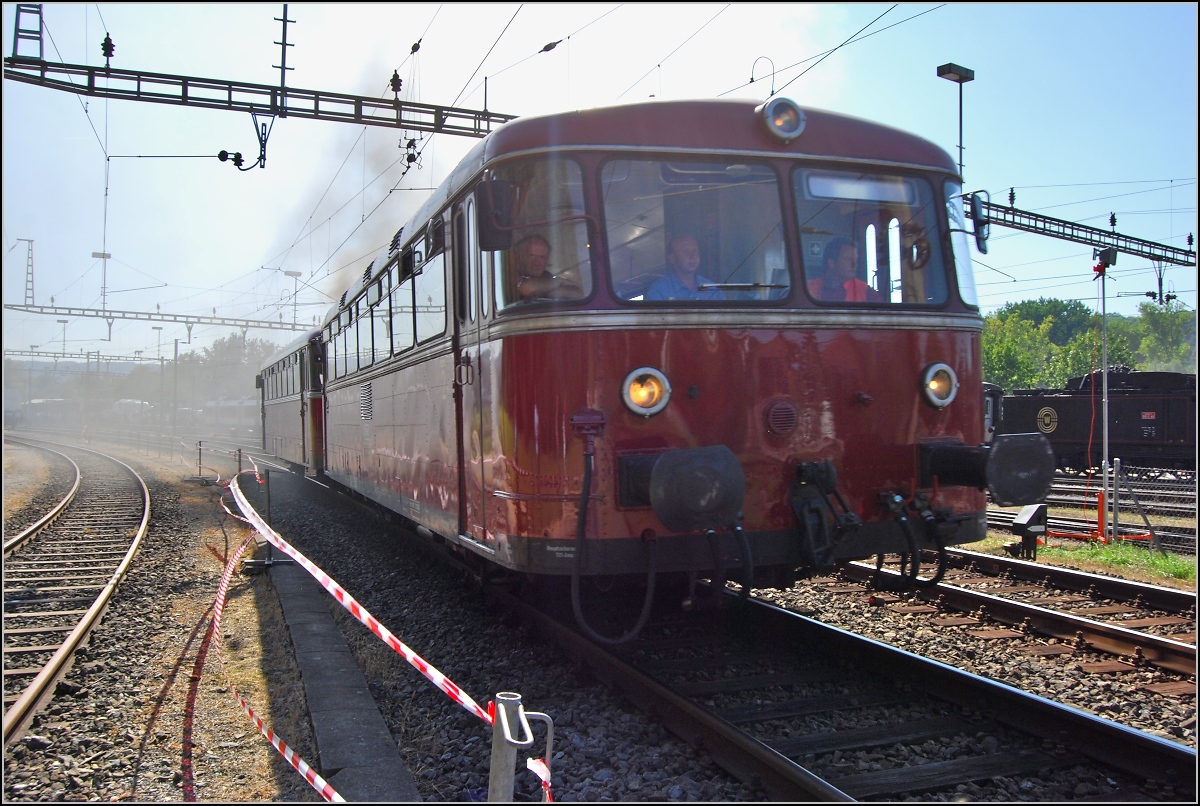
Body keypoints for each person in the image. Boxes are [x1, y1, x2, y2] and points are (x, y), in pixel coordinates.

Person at [644, 234, 725, 301]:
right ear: (672, 258)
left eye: (695, 251)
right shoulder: (659, 290)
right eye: (685, 251)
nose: (692, 256)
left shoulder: (713, 290)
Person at [807, 237, 884, 303]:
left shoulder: (866, 292)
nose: (854, 265)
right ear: (832, 263)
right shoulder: (809, 288)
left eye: (855, 260)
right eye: (848, 260)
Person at [513, 234, 584, 301]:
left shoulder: (546, 275)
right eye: (531, 256)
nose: (537, 262)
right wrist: (559, 281)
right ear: (519, 257)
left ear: (547, 260)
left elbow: (578, 294)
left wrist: (546, 290)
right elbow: (526, 288)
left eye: (542, 257)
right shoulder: (510, 275)